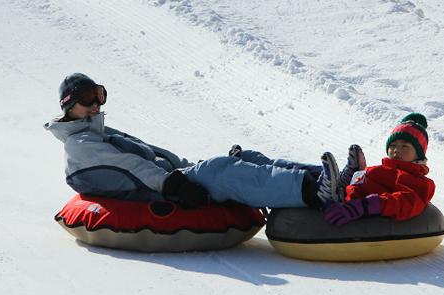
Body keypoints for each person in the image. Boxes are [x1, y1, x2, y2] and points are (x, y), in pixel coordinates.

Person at [44, 73, 341, 210]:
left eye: (99, 95)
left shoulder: (101, 134)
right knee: (219, 170)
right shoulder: (80, 145)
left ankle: (322, 177)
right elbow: (132, 166)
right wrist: (174, 184)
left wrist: (192, 167)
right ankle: (314, 194)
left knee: (241, 157)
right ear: (68, 106)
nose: (95, 104)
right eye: (86, 98)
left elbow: (157, 157)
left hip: (172, 180)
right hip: (164, 192)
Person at [325, 113, 436, 226]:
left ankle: (334, 191)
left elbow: (406, 201)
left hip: (357, 208)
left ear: (418, 154)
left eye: (405, 146)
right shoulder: (378, 169)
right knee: (311, 173)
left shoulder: (419, 181)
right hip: (348, 200)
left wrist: (366, 205)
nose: (396, 150)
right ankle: (344, 181)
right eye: (393, 145)